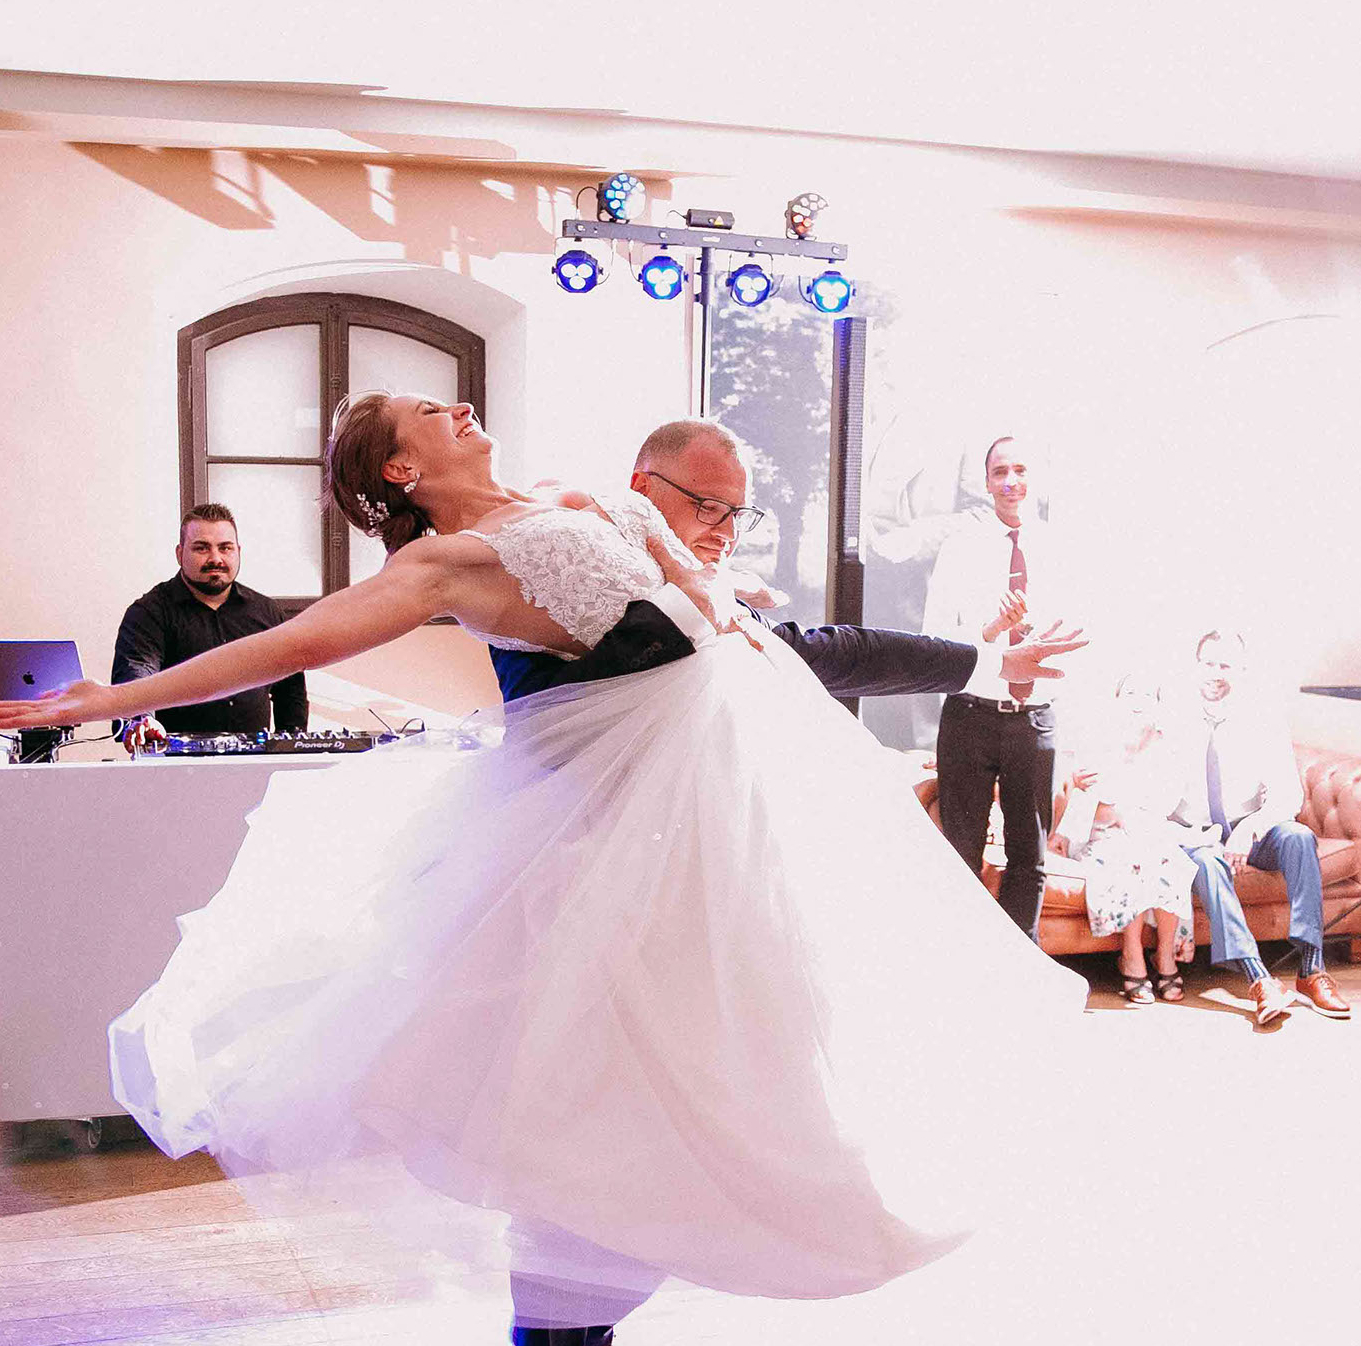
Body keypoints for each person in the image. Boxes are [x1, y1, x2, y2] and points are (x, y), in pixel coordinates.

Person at [0, 391, 1085, 1346]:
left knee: (721, 1096)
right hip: (595, 868)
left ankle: (597, 1302)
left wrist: (974, 659)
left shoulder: (572, 499)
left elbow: (755, 639)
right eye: (428, 411)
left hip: (719, 846)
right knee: (572, 1123)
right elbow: (286, 644)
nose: (461, 403)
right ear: (400, 469)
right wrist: (112, 696)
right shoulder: (449, 564)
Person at [494, 418, 1081, 707]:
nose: (725, 533)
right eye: (706, 507)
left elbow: (833, 650)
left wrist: (988, 663)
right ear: (639, 488)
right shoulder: (568, 566)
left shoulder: (715, 593)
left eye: (736, 515)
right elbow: (550, 707)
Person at [920, 436, 1077, 941]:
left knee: (1029, 856)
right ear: (985, 482)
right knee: (960, 855)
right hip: (970, 716)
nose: (1010, 482)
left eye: (1020, 470)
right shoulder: (961, 549)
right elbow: (934, 639)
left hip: (1035, 718)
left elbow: (1078, 632)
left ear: (1036, 478)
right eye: (999, 472)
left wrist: (1040, 639)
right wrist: (990, 632)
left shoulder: (1058, 549)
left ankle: (1021, 976)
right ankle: (964, 970)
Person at [1166, 629, 1347, 1030]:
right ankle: (1259, 979)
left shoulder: (1262, 720)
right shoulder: (1171, 719)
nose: (1216, 673)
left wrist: (1249, 827)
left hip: (1248, 827)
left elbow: (1288, 795)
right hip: (1193, 835)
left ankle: (1311, 969)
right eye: (1208, 663)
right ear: (1195, 667)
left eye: (1226, 665)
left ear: (1243, 671)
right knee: (1209, 864)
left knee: (1299, 837)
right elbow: (1154, 791)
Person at [111, 503, 307, 750]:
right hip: (174, 768)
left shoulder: (267, 612)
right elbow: (137, 669)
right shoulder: (149, 612)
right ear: (179, 553)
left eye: (225, 548)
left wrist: (291, 749)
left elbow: (291, 692)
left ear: (238, 551)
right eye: (201, 548)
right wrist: (142, 719)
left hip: (255, 766)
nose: (215, 559)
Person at [1052, 672, 1195, 1004]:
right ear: (1116, 699)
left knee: (1170, 861)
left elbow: (1164, 805)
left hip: (1146, 833)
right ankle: (1131, 956)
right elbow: (1098, 811)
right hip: (1097, 835)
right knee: (1133, 855)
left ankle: (1165, 957)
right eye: (1130, 692)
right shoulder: (1097, 743)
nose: (1138, 702)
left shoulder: (1167, 749)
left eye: (1148, 695)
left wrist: (1129, 808)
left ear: (1158, 705)